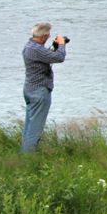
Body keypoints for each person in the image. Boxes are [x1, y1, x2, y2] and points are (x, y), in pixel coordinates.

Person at [22, 22, 67, 153]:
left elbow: (45, 57)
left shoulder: (30, 46)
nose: (48, 37)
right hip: (39, 92)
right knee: (35, 129)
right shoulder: (36, 49)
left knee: (29, 126)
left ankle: (24, 154)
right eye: (48, 36)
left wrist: (54, 46)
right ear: (44, 36)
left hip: (30, 89)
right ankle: (28, 159)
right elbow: (59, 57)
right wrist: (62, 44)